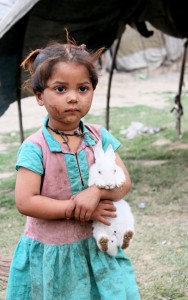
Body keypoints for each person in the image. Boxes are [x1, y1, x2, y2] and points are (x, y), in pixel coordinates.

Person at [6, 36, 140, 300]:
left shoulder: (99, 137)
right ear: (39, 96)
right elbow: (25, 201)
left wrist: (96, 194)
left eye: (83, 88)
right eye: (60, 89)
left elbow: (123, 183)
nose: (73, 98)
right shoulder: (35, 147)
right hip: (53, 253)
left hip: (97, 247)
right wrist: (76, 208)